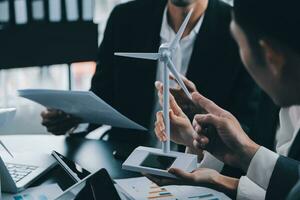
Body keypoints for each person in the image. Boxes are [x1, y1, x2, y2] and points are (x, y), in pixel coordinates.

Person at [40, 0, 258, 145]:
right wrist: (73, 117)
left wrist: (198, 114)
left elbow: (250, 127)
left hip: (205, 172)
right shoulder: (125, 19)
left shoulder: (242, 31)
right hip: (126, 163)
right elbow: (103, 97)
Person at [150, 0, 300, 199]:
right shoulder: (282, 100)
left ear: (271, 57)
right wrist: (231, 157)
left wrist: (243, 154)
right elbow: (288, 182)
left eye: (239, 44)